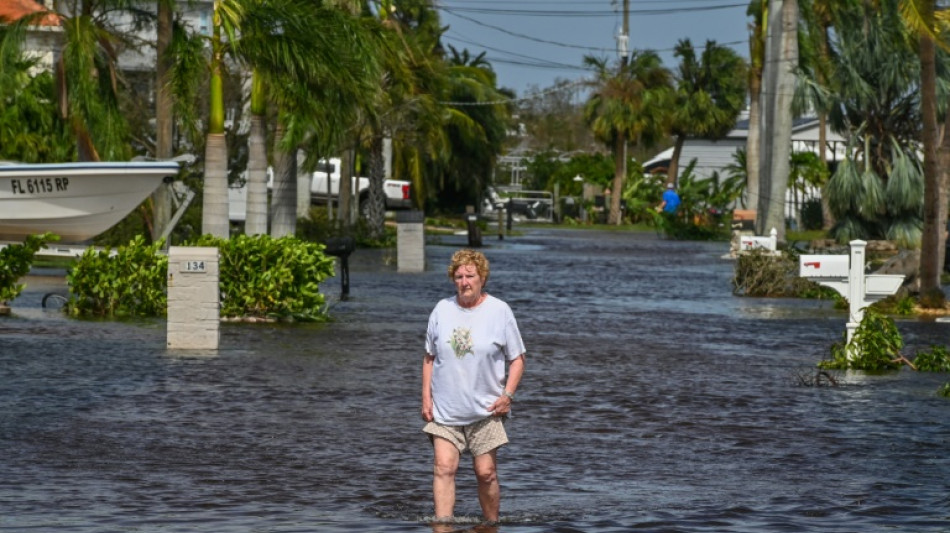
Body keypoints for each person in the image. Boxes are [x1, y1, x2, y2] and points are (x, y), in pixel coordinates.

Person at [421, 249, 526, 525]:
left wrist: (508, 396)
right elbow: (429, 357)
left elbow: (517, 359)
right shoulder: (441, 309)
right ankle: (443, 526)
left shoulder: (499, 311)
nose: (464, 282)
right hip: (446, 410)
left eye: (470, 276)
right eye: (458, 277)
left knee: (486, 472)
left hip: (486, 410)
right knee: (444, 468)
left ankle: (491, 526)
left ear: (482, 278)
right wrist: (426, 399)